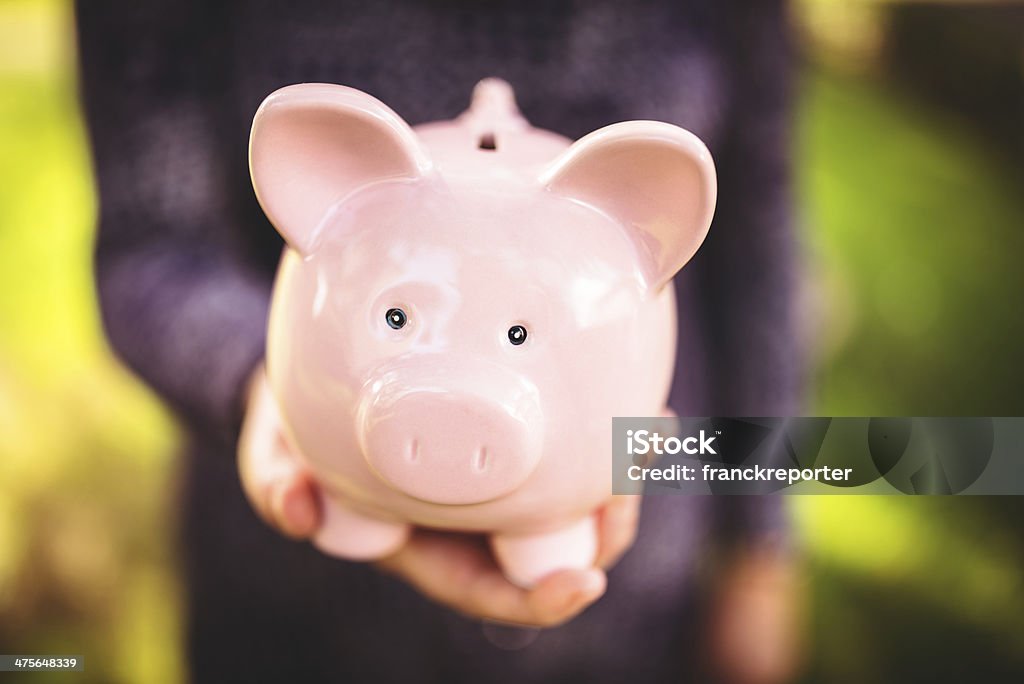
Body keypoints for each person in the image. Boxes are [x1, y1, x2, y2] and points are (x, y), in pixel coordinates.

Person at [76, 1, 800, 682]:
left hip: (627, 594)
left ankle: (545, 527)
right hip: (294, 602)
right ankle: (364, 509)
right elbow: (151, 246)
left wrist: (762, 548)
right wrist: (260, 383)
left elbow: (757, 254)